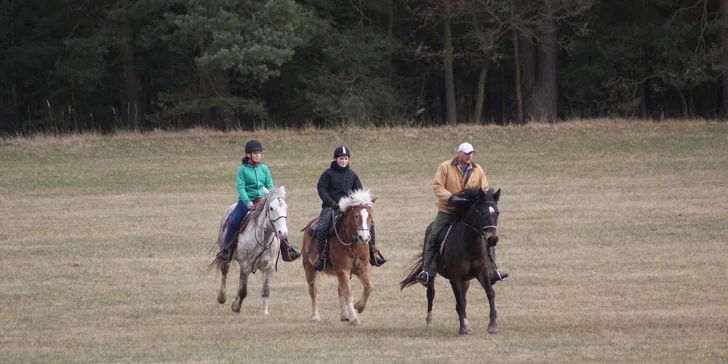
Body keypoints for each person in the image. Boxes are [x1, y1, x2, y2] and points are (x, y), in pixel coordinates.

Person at [417, 142, 508, 285]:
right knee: (433, 236)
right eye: (466, 153)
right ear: (458, 153)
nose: (469, 156)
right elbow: (438, 187)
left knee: (487, 235)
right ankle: (427, 271)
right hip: (448, 210)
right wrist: (451, 198)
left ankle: (492, 270)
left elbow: (484, 190)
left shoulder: (478, 170)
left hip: (469, 212)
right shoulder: (445, 167)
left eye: (471, 153)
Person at [216, 140, 300, 263]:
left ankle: (287, 248)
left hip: (263, 200)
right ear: (248, 155)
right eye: (255, 153)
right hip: (246, 201)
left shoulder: (264, 169)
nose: (258, 155)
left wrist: (271, 199)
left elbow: (269, 186)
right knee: (233, 222)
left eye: (259, 153)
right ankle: (226, 249)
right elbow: (241, 188)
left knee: (278, 218)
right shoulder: (242, 170)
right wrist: (247, 202)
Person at [312, 146, 387, 271]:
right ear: (335, 159)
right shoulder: (327, 174)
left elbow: (360, 192)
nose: (343, 161)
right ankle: (322, 256)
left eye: (346, 159)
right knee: (323, 226)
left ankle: (372, 252)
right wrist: (331, 203)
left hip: (350, 209)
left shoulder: (352, 175)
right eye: (341, 158)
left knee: (369, 224)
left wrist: (362, 203)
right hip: (330, 208)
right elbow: (322, 190)